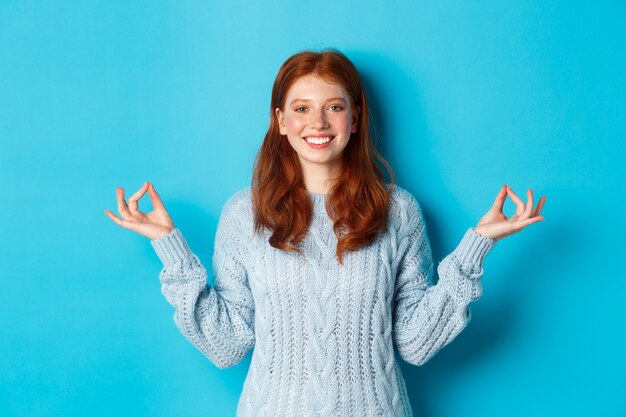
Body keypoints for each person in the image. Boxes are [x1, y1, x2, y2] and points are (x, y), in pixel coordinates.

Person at [104, 49, 546, 417]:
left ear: (355, 118)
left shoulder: (398, 211)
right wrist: (170, 248)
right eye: (301, 109)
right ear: (280, 120)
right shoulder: (245, 213)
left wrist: (477, 247)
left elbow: (415, 342)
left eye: (334, 107)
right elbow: (227, 343)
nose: (318, 122)